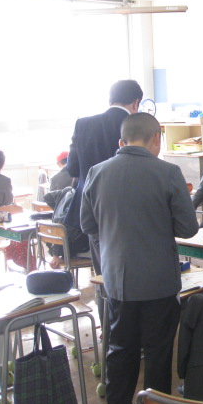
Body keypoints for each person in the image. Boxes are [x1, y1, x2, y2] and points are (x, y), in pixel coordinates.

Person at [81, 113, 198, 404]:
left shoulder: (96, 172)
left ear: (122, 141)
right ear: (156, 138)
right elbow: (188, 228)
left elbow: (87, 225)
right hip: (159, 280)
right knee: (159, 352)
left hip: (116, 280)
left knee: (120, 349)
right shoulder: (168, 172)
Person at [66, 79, 142, 324]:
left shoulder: (83, 124)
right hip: (128, 210)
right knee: (130, 273)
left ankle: (106, 327)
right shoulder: (135, 127)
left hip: (92, 212)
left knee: (102, 273)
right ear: (136, 103)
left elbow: (72, 168)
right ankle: (128, 327)